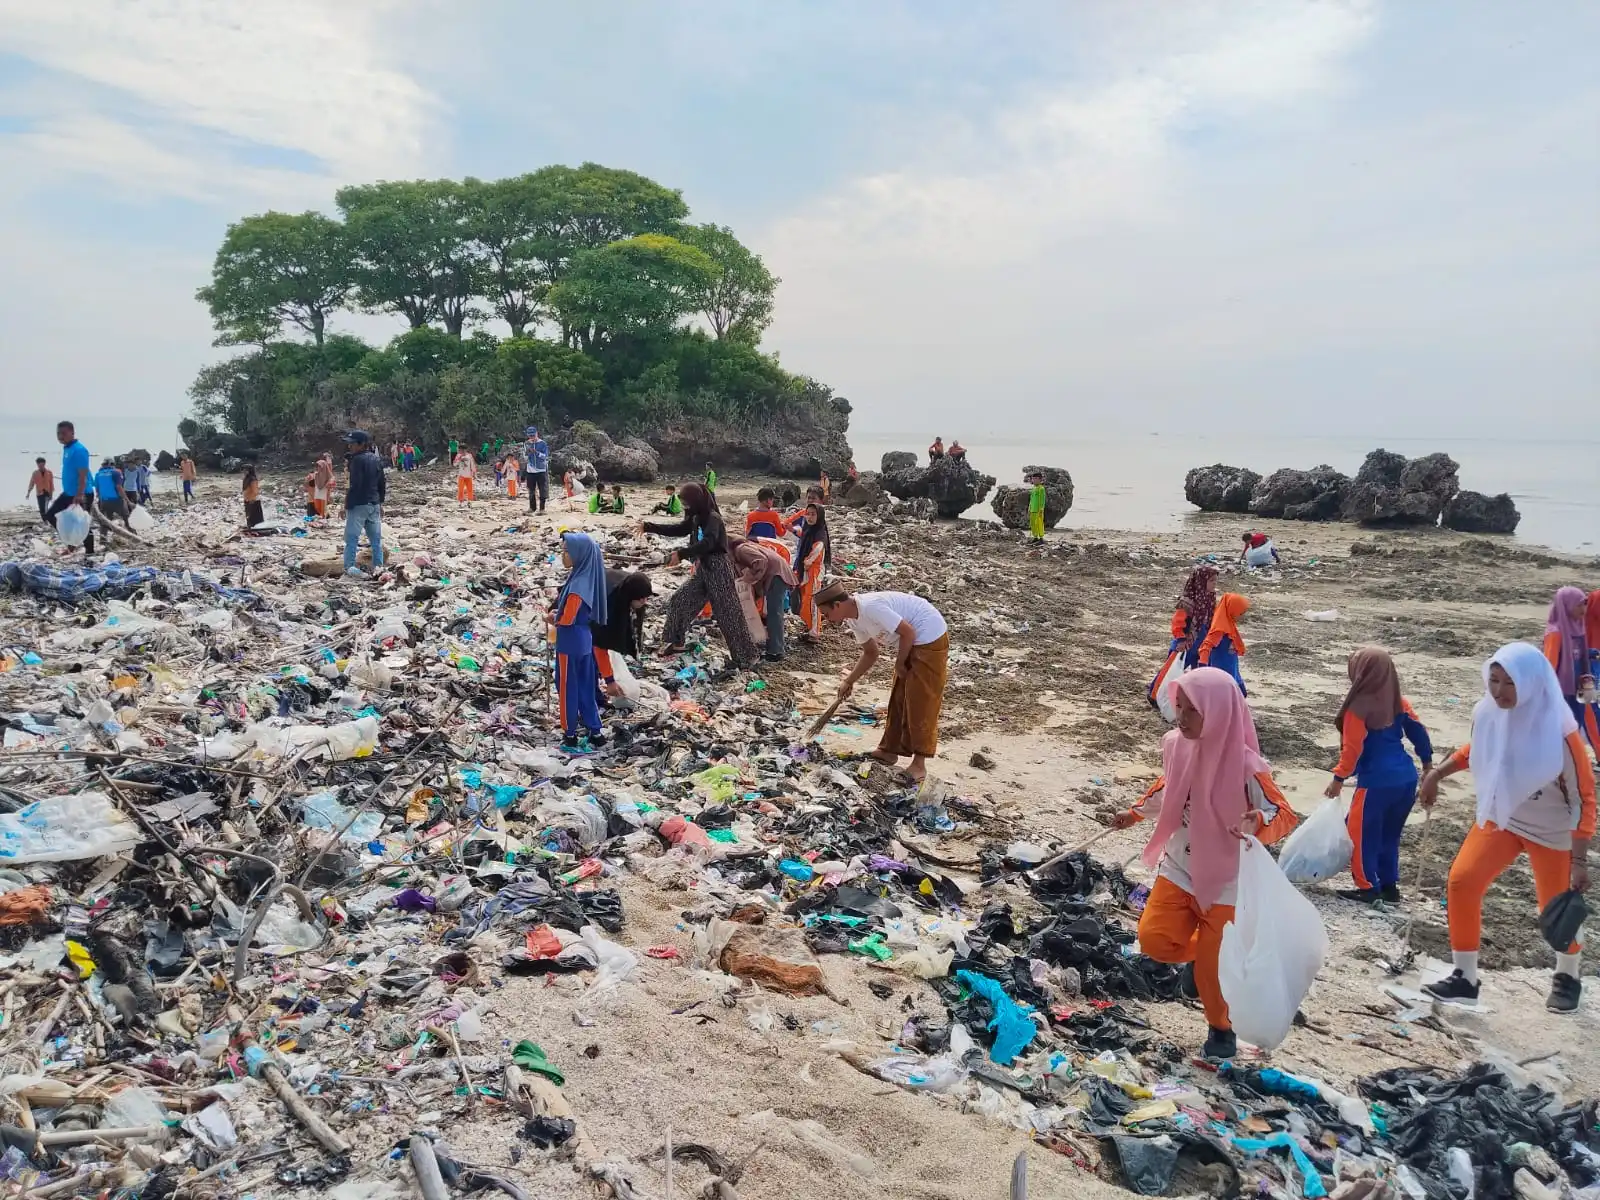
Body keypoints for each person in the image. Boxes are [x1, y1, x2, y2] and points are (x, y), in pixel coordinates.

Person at [1112, 668, 1301, 1060]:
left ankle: (1221, 1030)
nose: (1180, 717)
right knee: (1154, 939)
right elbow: (1168, 789)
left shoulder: (1249, 768)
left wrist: (1258, 823)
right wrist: (1133, 814)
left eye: (1191, 710)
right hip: (1180, 866)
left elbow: (1283, 813)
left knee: (1215, 975)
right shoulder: (1176, 745)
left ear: (1216, 712)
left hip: (1227, 879)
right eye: (1179, 707)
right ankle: (1200, 959)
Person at [1418, 642, 1595, 1012]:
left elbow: (1584, 799)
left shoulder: (1563, 736)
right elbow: (1476, 750)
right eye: (1494, 680)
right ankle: (1465, 978)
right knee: (1462, 881)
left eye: (1510, 683)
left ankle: (1568, 974)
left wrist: (1579, 861)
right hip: (1504, 815)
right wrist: (1437, 773)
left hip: (1552, 831)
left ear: (1531, 684)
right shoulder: (1489, 713)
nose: (1499, 692)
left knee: (1557, 910)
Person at [1324, 648, 1434, 904]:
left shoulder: (1358, 707)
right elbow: (1419, 733)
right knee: (1389, 834)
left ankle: (1367, 887)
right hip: (1406, 779)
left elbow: (1353, 749)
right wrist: (1428, 765)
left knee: (1360, 834)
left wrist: (1338, 779)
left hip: (1375, 782)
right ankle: (1389, 886)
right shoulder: (1399, 702)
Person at [819, 582, 950, 782]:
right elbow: (871, 653)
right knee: (899, 696)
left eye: (826, 614)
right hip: (911, 641)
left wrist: (900, 663)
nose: (827, 620)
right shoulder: (853, 620)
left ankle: (919, 765)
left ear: (837, 605)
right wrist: (849, 681)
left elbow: (908, 632)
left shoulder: (871, 607)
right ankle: (889, 750)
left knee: (921, 701)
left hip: (929, 636)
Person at [641, 482, 760, 666]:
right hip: (703, 567)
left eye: (687, 502)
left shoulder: (713, 518)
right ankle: (676, 641)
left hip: (719, 568)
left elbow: (709, 542)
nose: (686, 507)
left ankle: (746, 657)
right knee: (679, 599)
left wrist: (681, 554)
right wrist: (649, 526)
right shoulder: (696, 517)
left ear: (697, 500)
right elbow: (680, 529)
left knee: (728, 614)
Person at [548, 531, 608, 751]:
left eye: (566, 552)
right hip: (584, 640)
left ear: (578, 555)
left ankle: (570, 732)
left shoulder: (578, 586)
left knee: (566, 687)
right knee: (585, 686)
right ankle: (595, 731)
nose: (563, 556)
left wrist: (553, 618)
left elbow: (568, 618)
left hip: (569, 643)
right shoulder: (587, 577)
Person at [1148, 567, 1217, 708]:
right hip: (1185, 643)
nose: (1214, 584)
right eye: (1211, 581)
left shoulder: (1210, 599)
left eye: (1215, 580)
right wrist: (1181, 639)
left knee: (1196, 673)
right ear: (1200, 582)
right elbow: (1177, 622)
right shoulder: (1187, 602)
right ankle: (1154, 696)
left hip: (1201, 643)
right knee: (1169, 671)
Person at [1544, 586, 1599, 754]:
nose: (1584, 609)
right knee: (1563, 729)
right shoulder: (1555, 633)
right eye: (1580, 605)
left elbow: (1577, 655)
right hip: (1562, 690)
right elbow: (1549, 665)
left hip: (1581, 685)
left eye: (1584, 604)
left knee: (1581, 722)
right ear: (1567, 606)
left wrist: (1590, 654)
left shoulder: (1578, 629)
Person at [730, 535, 796, 662]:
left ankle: (776, 651)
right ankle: (771, 644)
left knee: (774, 613)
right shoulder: (743, 549)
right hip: (775, 575)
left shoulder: (741, 549)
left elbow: (761, 561)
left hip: (777, 576)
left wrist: (748, 579)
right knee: (771, 612)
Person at [592, 570, 654, 697]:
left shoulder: (628, 589)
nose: (645, 601)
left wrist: (635, 649)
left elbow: (633, 623)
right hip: (579, 615)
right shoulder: (608, 609)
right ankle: (594, 696)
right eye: (641, 599)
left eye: (646, 598)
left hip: (603, 587)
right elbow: (599, 645)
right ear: (631, 596)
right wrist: (609, 681)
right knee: (588, 660)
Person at [341, 430, 386, 577]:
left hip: (359, 504)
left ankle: (349, 567)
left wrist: (346, 504)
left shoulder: (356, 460)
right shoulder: (376, 459)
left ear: (361, 444)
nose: (350, 447)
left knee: (352, 538)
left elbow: (355, 485)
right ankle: (378, 566)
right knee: (376, 540)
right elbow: (382, 483)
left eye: (352, 444)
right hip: (373, 503)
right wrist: (380, 502)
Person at [46, 421, 94, 558]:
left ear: (72, 433)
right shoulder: (67, 448)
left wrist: (79, 494)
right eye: (58, 434)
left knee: (82, 523)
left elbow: (83, 475)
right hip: (68, 493)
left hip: (82, 493)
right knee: (51, 515)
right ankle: (71, 544)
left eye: (64, 433)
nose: (60, 436)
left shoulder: (79, 450)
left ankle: (90, 552)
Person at [792, 501, 832, 643]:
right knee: (805, 599)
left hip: (814, 571)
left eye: (813, 514)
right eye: (807, 514)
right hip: (806, 569)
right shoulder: (808, 530)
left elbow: (819, 547)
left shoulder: (820, 532)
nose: (809, 517)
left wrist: (809, 560)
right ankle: (810, 628)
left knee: (812, 600)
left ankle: (814, 632)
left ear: (819, 516)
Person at [1197, 592, 1249, 694]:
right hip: (1221, 676)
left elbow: (1233, 662)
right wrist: (1202, 666)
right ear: (1232, 610)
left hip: (1230, 672)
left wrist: (1239, 681)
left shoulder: (1229, 625)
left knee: (1241, 694)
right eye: (1240, 613)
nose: (1242, 617)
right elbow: (1206, 646)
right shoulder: (1220, 629)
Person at [94, 458, 132, 529]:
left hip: (104, 501)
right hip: (117, 500)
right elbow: (119, 487)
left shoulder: (98, 474)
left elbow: (97, 490)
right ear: (112, 464)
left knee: (105, 521)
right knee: (126, 518)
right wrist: (128, 501)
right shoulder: (116, 472)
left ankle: (102, 538)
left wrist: (99, 500)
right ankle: (132, 534)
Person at [522, 428, 550, 513]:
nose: (532, 437)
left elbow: (545, 456)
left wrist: (536, 452)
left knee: (542, 489)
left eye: (533, 435)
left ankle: (542, 509)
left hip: (541, 469)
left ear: (537, 434)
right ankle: (532, 508)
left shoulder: (542, 443)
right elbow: (525, 457)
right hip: (530, 470)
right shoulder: (526, 444)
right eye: (530, 436)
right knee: (531, 490)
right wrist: (528, 453)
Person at [25, 457, 52, 523]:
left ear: (44, 464)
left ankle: (47, 521)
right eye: (39, 465)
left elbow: (51, 484)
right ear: (37, 465)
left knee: (45, 508)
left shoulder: (49, 473)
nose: (40, 467)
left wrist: (51, 494)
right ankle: (45, 521)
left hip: (47, 493)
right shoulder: (35, 473)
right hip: (39, 493)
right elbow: (31, 483)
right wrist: (28, 492)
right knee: (41, 509)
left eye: (42, 465)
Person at [240, 465, 264, 529]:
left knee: (254, 516)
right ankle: (250, 527)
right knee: (249, 516)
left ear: (249, 471)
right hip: (248, 500)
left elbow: (255, 491)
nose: (244, 471)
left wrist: (252, 499)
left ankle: (257, 529)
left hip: (253, 501)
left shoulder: (253, 479)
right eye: (244, 470)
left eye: (246, 470)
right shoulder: (246, 479)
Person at [312, 454, 335, 518]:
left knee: (323, 505)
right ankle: (323, 514)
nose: (318, 468)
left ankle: (323, 516)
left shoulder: (328, 475)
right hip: (318, 491)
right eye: (317, 466)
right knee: (316, 505)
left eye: (319, 466)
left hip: (324, 491)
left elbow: (331, 479)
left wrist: (328, 484)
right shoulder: (316, 474)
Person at [1027, 471, 1047, 543]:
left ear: (1040, 480)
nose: (1034, 480)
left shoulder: (1041, 488)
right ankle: (1035, 537)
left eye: (1036, 479)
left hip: (1038, 510)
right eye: (1033, 479)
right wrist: (1029, 508)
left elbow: (1042, 499)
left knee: (1039, 523)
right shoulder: (1033, 489)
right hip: (1032, 510)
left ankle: (1041, 538)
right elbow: (1031, 499)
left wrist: (1041, 509)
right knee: (1033, 524)